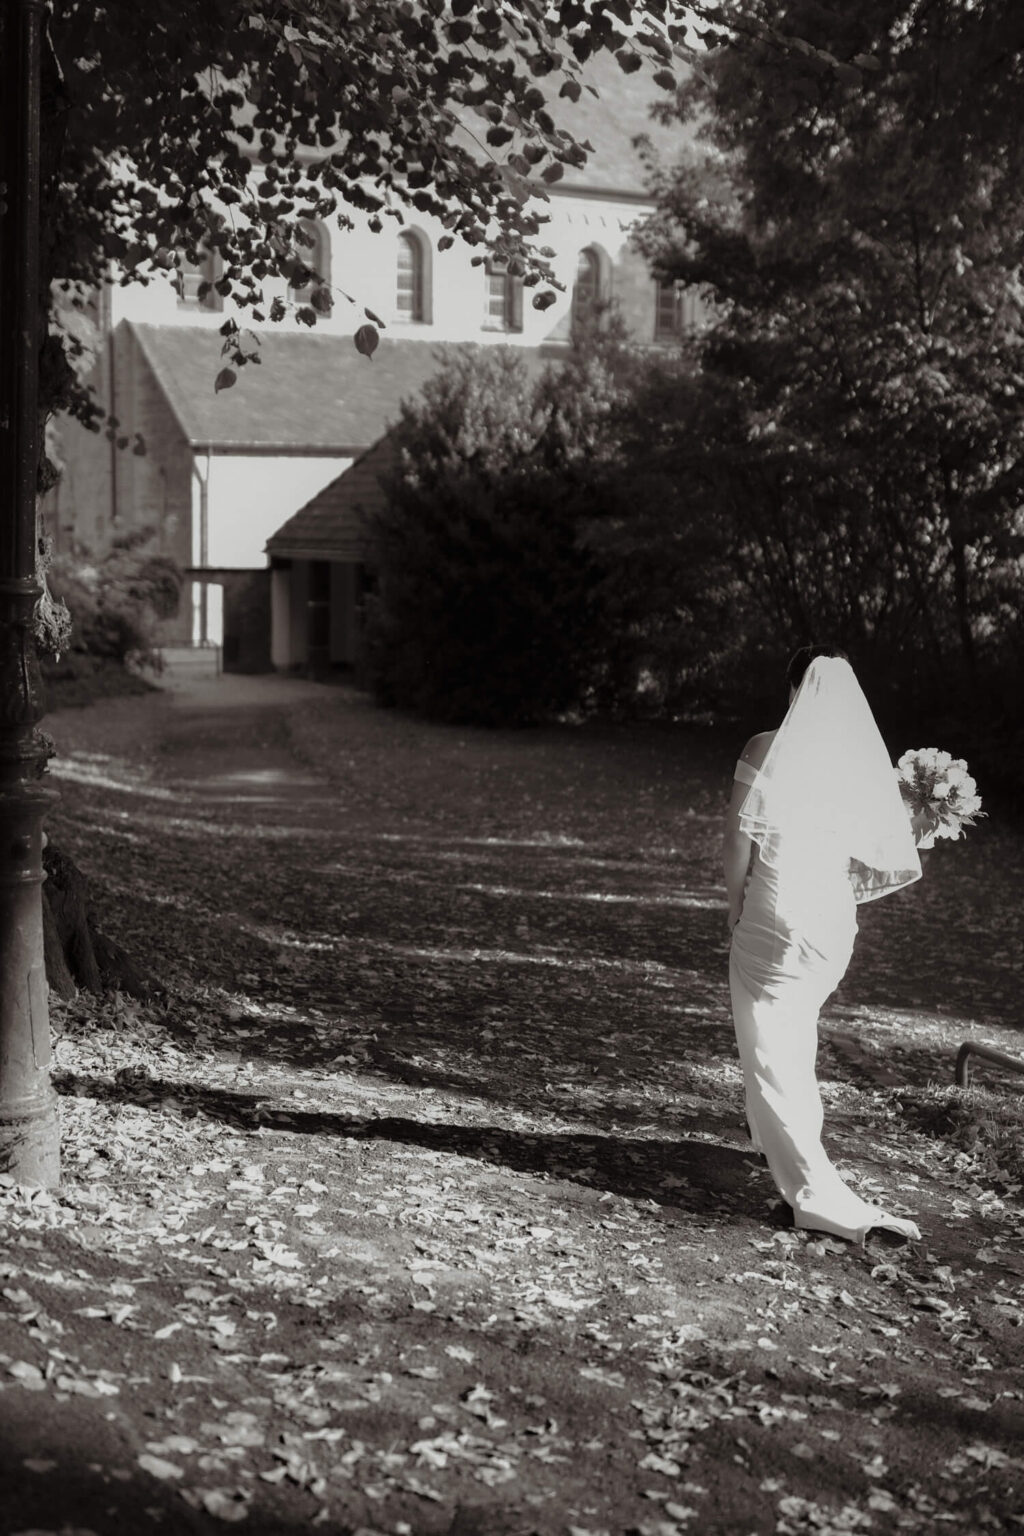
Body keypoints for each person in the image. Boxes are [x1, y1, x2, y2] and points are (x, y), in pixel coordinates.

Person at [724, 645, 924, 1243]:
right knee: (794, 1036)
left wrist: (734, 907)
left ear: (793, 690)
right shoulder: (859, 768)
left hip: (776, 912)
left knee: (766, 1046)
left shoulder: (764, 748)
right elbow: (869, 852)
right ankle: (782, 1144)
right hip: (833, 922)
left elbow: (737, 846)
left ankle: (811, 1191)